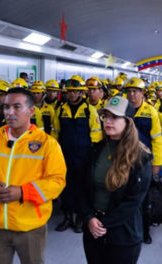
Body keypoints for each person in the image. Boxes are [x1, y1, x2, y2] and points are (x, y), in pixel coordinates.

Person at [0, 88, 66, 264]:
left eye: (17, 107)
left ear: (31, 111)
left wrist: (23, 192)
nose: (9, 112)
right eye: (6, 107)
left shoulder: (48, 144)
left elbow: (57, 181)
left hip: (30, 228)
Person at [80, 96, 152, 264]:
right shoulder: (95, 151)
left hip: (123, 235)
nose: (108, 121)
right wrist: (89, 218)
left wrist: (102, 224)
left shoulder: (140, 157)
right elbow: (82, 188)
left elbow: (133, 201)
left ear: (128, 122)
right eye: (105, 116)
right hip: (93, 231)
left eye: (115, 117)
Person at [54, 75, 102, 233]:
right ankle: (67, 217)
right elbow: (55, 134)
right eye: (69, 92)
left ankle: (81, 218)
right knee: (66, 188)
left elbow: (96, 137)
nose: (71, 95)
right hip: (65, 157)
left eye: (75, 92)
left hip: (84, 158)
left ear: (82, 93)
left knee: (83, 188)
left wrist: (94, 159)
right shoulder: (60, 110)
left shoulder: (90, 111)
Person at [124, 77, 162, 244]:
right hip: (125, 160)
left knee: (145, 197)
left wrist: (156, 164)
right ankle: (128, 228)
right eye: (129, 91)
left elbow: (157, 140)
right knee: (126, 195)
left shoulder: (151, 112)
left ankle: (145, 230)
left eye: (135, 91)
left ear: (142, 93)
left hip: (144, 162)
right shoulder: (123, 110)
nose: (132, 94)